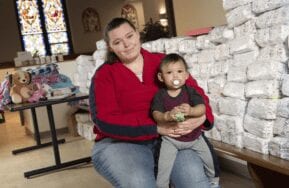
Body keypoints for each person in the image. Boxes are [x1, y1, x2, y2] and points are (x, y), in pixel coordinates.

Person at [89, 17, 217, 188]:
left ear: (137, 34)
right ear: (110, 46)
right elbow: (104, 120)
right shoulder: (104, 75)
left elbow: (195, 93)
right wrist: (155, 127)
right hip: (120, 143)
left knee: (194, 181)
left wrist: (202, 118)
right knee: (140, 183)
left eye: (129, 36)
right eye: (118, 42)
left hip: (171, 138)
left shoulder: (162, 62)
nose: (127, 45)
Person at [151, 53, 220, 188]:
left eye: (179, 71)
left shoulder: (190, 91)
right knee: (163, 168)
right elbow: (156, 114)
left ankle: (213, 180)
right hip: (171, 140)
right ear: (161, 77)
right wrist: (167, 116)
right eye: (169, 72)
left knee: (210, 159)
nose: (175, 76)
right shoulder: (160, 95)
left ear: (186, 75)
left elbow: (202, 108)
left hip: (194, 138)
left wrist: (191, 111)